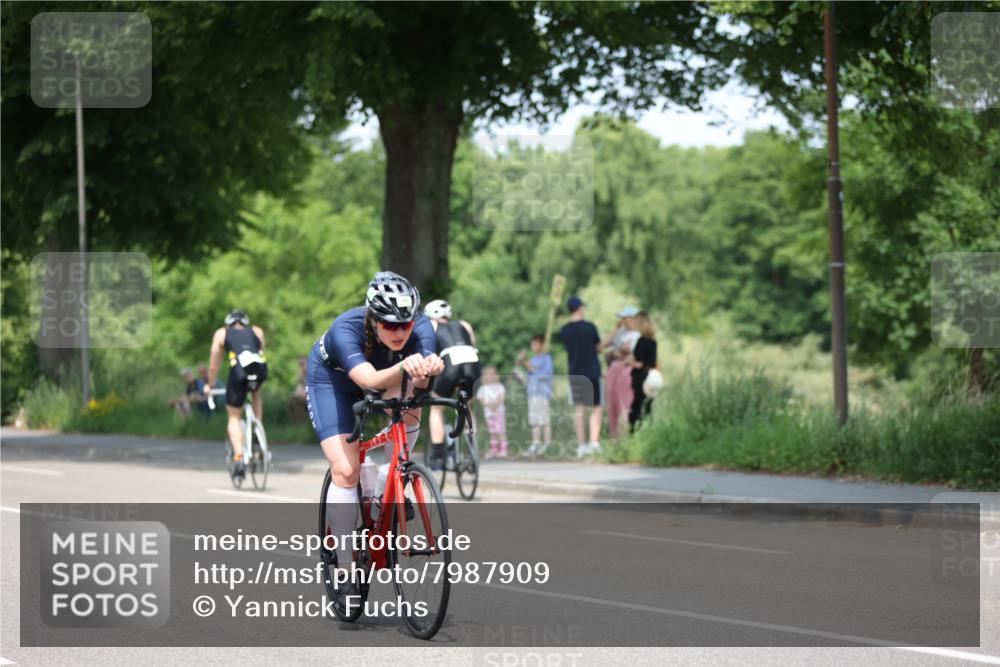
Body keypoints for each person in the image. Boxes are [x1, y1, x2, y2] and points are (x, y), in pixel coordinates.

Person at [306, 271, 444, 608]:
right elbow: (368, 379)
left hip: (386, 376)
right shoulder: (346, 329)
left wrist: (428, 371)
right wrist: (406, 369)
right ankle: (343, 568)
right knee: (346, 469)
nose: (399, 332)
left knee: (412, 404)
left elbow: (420, 386)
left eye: (406, 324)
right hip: (334, 383)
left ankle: (389, 481)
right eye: (389, 325)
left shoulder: (423, 328)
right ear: (373, 318)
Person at [204, 309, 268, 479]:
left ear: (228, 323)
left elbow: (213, 365)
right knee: (256, 391)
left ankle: (239, 456)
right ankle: (257, 428)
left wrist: (209, 385)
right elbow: (261, 353)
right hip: (259, 370)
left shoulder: (221, 333)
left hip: (238, 372)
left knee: (233, 416)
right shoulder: (257, 330)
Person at [423, 299, 481, 470]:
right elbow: (473, 344)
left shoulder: (431, 325)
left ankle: (439, 457)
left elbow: (429, 353)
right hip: (472, 366)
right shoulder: (464, 324)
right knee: (467, 406)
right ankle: (471, 449)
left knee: (436, 408)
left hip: (450, 366)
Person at [557, 296, 603, 457]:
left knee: (579, 409)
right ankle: (594, 443)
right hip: (592, 371)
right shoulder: (590, 327)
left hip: (575, 373)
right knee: (596, 407)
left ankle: (581, 445)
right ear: (580, 308)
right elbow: (598, 347)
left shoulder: (565, 330)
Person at [601, 306, 640, 439]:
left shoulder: (639, 334)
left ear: (633, 318)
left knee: (625, 405)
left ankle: (626, 439)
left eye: (625, 318)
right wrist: (615, 329)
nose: (623, 321)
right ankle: (615, 440)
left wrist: (619, 353)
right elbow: (602, 345)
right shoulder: (621, 333)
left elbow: (634, 355)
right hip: (614, 372)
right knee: (612, 406)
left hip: (627, 373)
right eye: (621, 318)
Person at [516, 334, 553, 457]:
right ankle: (536, 443)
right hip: (531, 394)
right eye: (532, 344)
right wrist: (519, 367)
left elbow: (546, 376)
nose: (533, 346)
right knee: (534, 421)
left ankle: (547, 445)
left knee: (544, 421)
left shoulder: (546, 359)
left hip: (542, 394)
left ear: (542, 344)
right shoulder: (532, 360)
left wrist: (529, 366)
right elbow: (527, 379)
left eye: (536, 344)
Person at [628, 311, 658, 432]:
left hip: (640, 377)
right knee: (647, 406)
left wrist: (627, 362)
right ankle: (647, 431)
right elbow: (652, 362)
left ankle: (634, 433)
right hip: (650, 377)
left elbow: (639, 363)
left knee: (636, 408)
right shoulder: (653, 342)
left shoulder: (641, 341)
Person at [475, 365, 508, 458]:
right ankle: (494, 450)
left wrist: (495, 405)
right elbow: (482, 401)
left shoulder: (500, 386)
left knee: (501, 431)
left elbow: (502, 397)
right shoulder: (482, 388)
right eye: (488, 374)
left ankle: (503, 450)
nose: (491, 376)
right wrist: (490, 405)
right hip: (489, 414)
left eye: (493, 374)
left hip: (499, 412)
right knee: (492, 432)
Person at [287, 356, 309, 424]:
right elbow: (297, 392)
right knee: (291, 402)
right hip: (305, 397)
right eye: (300, 364)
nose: (301, 366)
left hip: (313, 398)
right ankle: (296, 423)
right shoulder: (302, 376)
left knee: (295, 402)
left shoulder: (311, 374)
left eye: (303, 364)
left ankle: (302, 423)